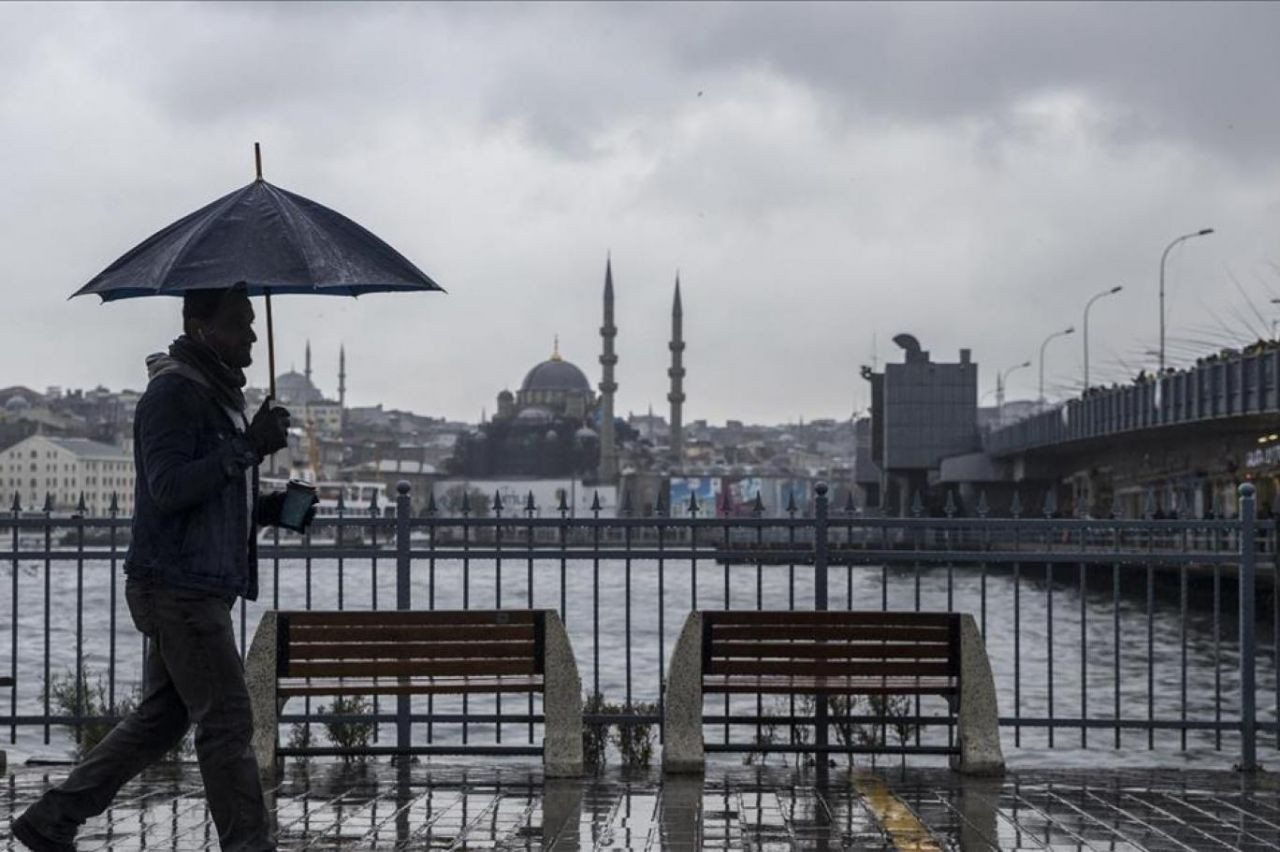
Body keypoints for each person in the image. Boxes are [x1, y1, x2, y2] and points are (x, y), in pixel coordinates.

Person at [11, 285, 313, 852]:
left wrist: (275, 507)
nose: (251, 334)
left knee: (162, 720)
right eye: (239, 322)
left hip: (198, 584)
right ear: (202, 328)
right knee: (225, 722)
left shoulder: (219, 396)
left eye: (252, 322)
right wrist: (249, 446)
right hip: (177, 586)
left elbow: (216, 494)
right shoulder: (173, 393)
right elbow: (169, 488)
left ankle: (50, 819)